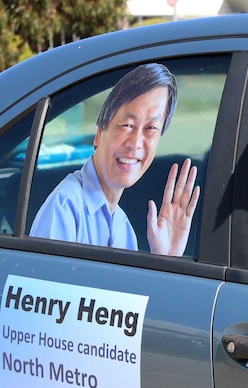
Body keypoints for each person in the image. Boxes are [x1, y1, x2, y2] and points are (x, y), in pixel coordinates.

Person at [31, 63, 200, 256]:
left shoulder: (123, 228)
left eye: (151, 128)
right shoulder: (65, 208)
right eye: (127, 125)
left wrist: (166, 258)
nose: (136, 143)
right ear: (99, 134)